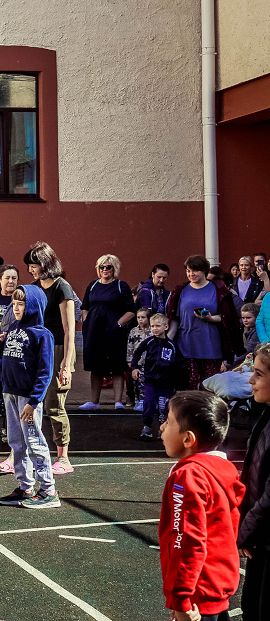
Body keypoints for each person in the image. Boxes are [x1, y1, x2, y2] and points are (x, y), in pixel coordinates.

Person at [158, 391, 244, 621]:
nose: (161, 428)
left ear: (188, 439)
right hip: (216, 586)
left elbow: (186, 540)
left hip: (197, 594)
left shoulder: (189, 477)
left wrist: (181, 599)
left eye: (168, 422)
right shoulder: (223, 469)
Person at [0, 284, 60, 509]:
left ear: (34, 305)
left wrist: (34, 401)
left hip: (27, 398)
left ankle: (49, 490)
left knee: (34, 441)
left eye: (21, 303)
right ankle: (26, 486)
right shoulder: (15, 329)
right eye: (14, 303)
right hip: (10, 392)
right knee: (16, 441)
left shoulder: (43, 334)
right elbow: (0, 353)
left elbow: (45, 372)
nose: (16, 308)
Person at [24, 242, 78, 474]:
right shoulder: (35, 287)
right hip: (37, 349)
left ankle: (63, 458)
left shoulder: (62, 288)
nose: (31, 270)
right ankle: (28, 452)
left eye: (34, 265)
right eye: (29, 266)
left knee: (55, 405)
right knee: (30, 401)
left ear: (45, 264)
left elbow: (69, 331)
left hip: (58, 349)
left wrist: (66, 364)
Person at [168, 255, 243, 391]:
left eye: (195, 270)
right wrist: (166, 341)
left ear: (204, 271)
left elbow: (228, 318)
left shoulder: (219, 290)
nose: (191, 274)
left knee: (209, 388)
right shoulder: (180, 290)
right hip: (186, 346)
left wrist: (210, 318)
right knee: (188, 387)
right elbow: (174, 319)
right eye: (188, 271)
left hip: (211, 346)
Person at [80, 254, 136, 410]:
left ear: (114, 268)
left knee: (116, 366)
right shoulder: (92, 285)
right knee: (96, 366)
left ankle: (118, 401)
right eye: (101, 267)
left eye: (108, 267)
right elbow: (84, 306)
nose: (105, 270)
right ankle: (94, 402)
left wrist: (117, 325)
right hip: (93, 333)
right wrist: (86, 323)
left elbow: (131, 310)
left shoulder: (121, 286)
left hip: (114, 333)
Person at [240, 345, 270, 620]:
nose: (251, 380)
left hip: (266, 535)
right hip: (261, 538)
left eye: (259, 374)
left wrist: (246, 531)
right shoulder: (265, 415)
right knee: (251, 605)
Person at [132, 314, 182, 440]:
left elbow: (179, 364)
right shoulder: (148, 342)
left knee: (163, 407)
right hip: (150, 381)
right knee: (148, 403)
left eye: (158, 326)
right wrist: (135, 367)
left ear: (166, 327)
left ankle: (163, 429)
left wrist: (177, 384)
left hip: (166, 384)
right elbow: (136, 354)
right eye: (153, 326)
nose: (155, 329)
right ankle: (147, 427)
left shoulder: (172, 346)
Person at [127, 308, 153, 411]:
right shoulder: (134, 331)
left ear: (149, 318)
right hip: (137, 362)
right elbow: (130, 346)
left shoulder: (152, 331)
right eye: (138, 317)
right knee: (137, 383)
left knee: (147, 382)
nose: (140, 320)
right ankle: (138, 401)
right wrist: (129, 360)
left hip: (150, 363)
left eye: (143, 317)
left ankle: (147, 400)